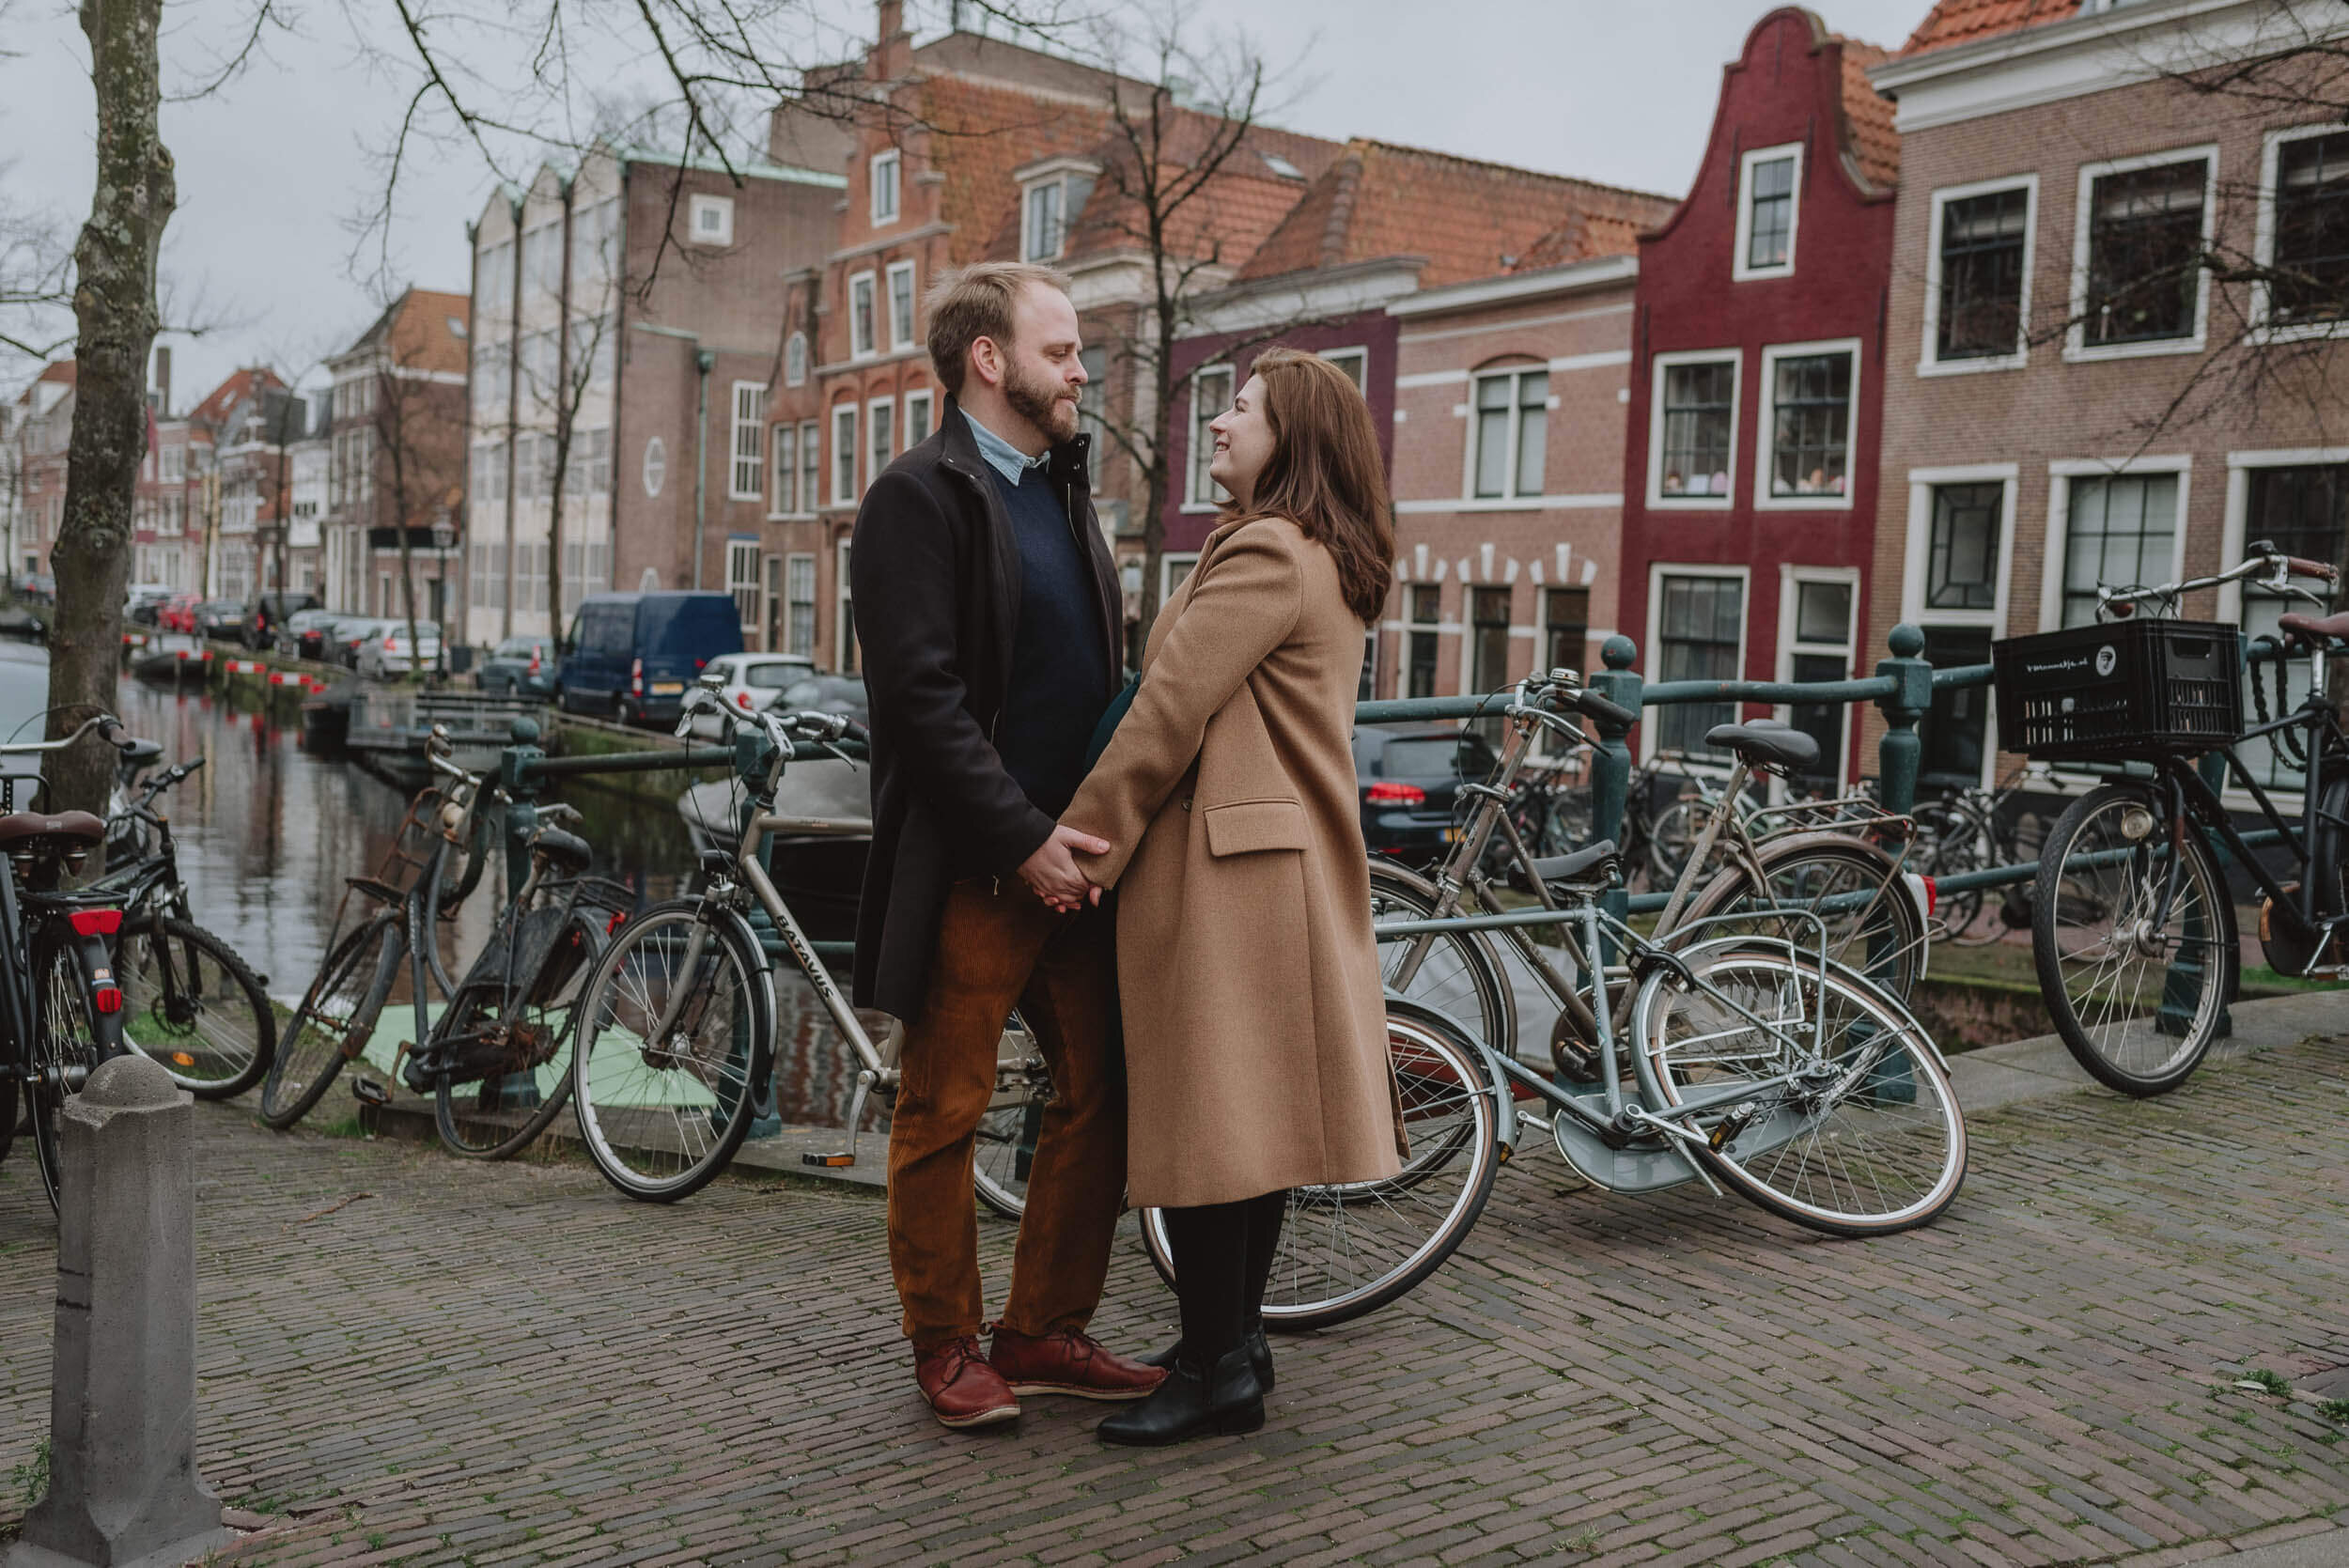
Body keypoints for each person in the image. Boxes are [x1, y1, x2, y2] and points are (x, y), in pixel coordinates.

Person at [1052, 349, 1408, 1446]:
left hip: (1229, 877)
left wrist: (1081, 844)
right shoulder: (1324, 554)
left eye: (1240, 411)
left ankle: (1212, 1367)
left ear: (1288, 438)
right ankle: (1232, 1347)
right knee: (1248, 1129)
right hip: (1277, 870)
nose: (1217, 423)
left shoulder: (1263, 552)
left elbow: (1167, 711)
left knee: (1213, 1127)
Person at [848, 261, 1164, 1431]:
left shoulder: (1064, 488)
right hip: (985, 862)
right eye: (1063, 349)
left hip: (1078, 858)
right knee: (945, 1106)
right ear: (990, 358)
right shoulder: (914, 498)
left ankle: (1043, 1327)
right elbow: (920, 706)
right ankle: (945, 1343)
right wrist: (1022, 836)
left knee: (1102, 1090)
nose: (1082, 369)